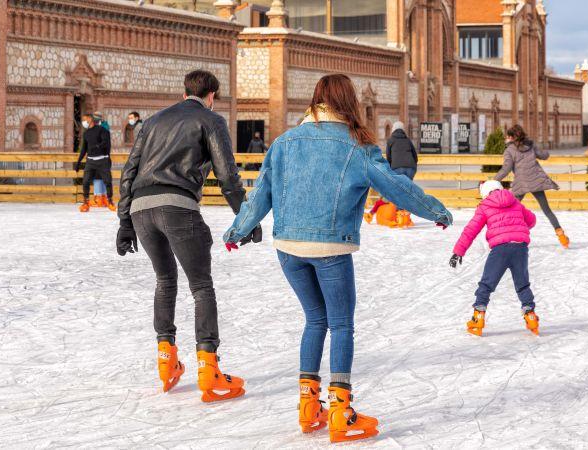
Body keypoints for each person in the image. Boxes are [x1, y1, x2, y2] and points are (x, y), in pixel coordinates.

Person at [223, 74, 453, 443]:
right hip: (331, 249)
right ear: (349, 103)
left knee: (315, 321)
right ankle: (341, 411)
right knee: (341, 325)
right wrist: (435, 210)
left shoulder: (285, 142)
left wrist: (237, 231)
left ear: (315, 101)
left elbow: (260, 194)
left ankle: (307, 406)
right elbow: (395, 185)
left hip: (289, 250)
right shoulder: (357, 146)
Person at [116, 70, 252, 400]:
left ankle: (167, 361)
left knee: (165, 281)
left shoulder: (152, 122)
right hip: (178, 206)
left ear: (184, 93)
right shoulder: (210, 120)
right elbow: (228, 177)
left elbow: (129, 171)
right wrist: (246, 218)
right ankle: (209, 368)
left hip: (141, 209)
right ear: (212, 96)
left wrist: (124, 222)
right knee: (201, 285)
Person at [449, 180, 539, 337]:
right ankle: (531, 316)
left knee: (486, 284)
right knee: (522, 284)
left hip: (500, 250)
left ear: (484, 193)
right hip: (520, 247)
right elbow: (531, 220)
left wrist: (459, 251)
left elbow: (471, 230)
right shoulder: (514, 201)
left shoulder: (485, 206)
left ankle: (478, 318)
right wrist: (517, 228)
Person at [494, 124, 569, 249]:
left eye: (507, 136)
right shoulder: (530, 145)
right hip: (536, 181)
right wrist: (543, 149)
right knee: (547, 210)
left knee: (510, 210)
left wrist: (493, 181)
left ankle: (504, 237)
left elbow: (506, 169)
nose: (505, 138)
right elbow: (545, 155)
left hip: (521, 183)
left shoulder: (509, 150)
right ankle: (561, 236)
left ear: (512, 137)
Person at [75, 113, 114, 212]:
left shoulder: (102, 130)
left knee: (108, 181)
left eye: (85, 119)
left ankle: (110, 201)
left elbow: (106, 142)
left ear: (90, 119)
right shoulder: (86, 133)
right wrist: (79, 161)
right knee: (86, 181)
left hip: (102, 160)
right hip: (90, 161)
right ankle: (86, 202)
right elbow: (84, 149)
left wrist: (98, 146)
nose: (83, 122)